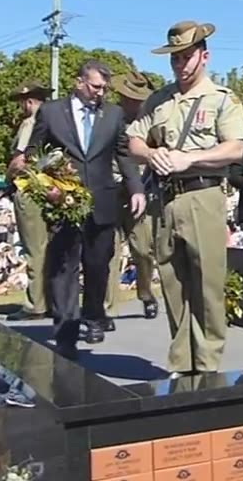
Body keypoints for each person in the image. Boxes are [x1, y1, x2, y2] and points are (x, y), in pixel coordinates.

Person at [128, 21, 243, 377]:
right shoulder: (158, 100)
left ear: (204, 56)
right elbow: (132, 140)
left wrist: (189, 158)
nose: (180, 64)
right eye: (175, 58)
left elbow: (236, 148)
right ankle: (182, 363)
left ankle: (208, 364)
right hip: (165, 200)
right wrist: (151, 156)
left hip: (202, 194)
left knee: (207, 283)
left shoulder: (222, 99)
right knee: (172, 282)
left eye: (187, 56)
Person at [13, 61, 145, 357]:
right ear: (79, 82)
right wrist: (44, 184)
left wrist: (136, 188)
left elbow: (123, 153)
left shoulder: (113, 115)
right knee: (64, 268)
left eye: (104, 89)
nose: (101, 93)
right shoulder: (51, 112)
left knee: (98, 265)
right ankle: (66, 328)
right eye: (96, 86)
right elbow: (34, 152)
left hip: (102, 201)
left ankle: (94, 315)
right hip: (63, 202)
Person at [107, 70, 160, 322]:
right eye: (126, 97)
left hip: (141, 194)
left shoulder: (150, 126)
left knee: (142, 251)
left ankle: (146, 294)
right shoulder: (109, 120)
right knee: (109, 251)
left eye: (135, 98)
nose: (130, 102)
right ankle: (107, 308)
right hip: (111, 192)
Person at [6, 81, 52, 322]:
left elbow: (20, 160)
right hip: (49, 189)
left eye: (22, 103)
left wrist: (7, 177)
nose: (21, 107)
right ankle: (50, 299)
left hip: (28, 188)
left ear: (29, 101)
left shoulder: (30, 123)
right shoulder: (54, 120)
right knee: (47, 247)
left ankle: (35, 303)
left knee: (34, 248)